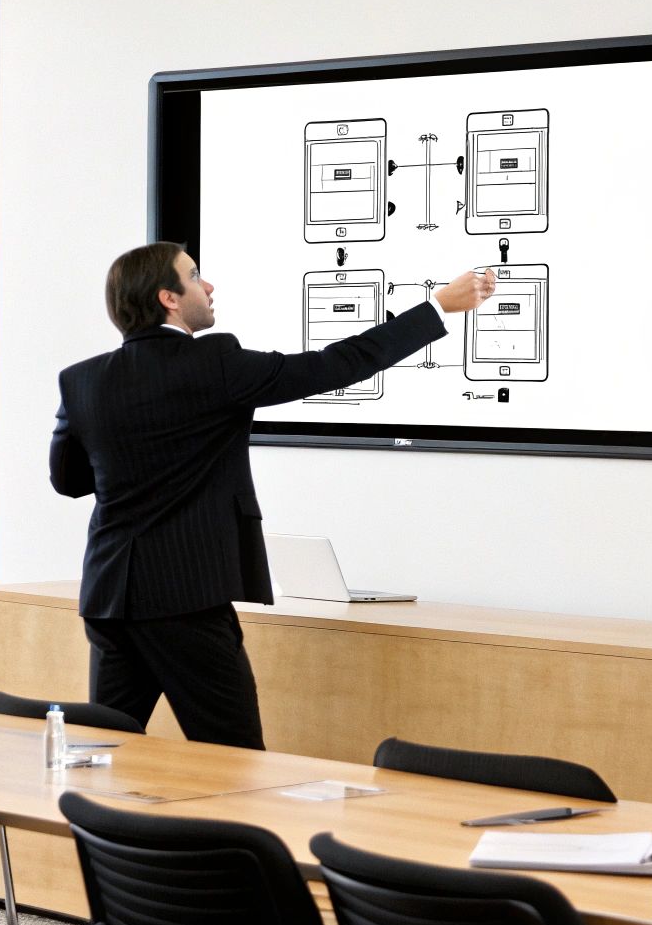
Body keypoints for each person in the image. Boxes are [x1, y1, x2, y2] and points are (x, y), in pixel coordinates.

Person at [49, 241, 494, 748]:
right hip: (187, 601)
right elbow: (338, 364)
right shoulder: (216, 363)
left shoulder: (81, 381)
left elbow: (69, 481)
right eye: (195, 277)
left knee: (102, 755)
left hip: (110, 598)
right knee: (234, 758)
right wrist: (437, 307)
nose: (209, 286)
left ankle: (98, 830)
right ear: (168, 298)